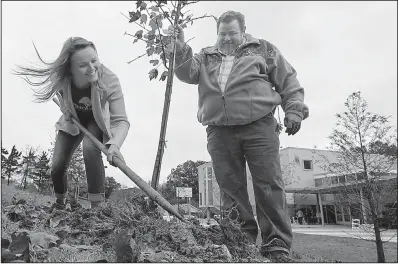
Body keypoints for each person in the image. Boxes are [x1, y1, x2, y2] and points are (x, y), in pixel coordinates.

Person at [167, 10, 309, 262]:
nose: (227, 39)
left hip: (259, 127)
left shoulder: (263, 50)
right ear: (217, 33)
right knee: (230, 188)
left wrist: (294, 110)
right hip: (219, 130)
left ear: (243, 32)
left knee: (268, 184)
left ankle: (276, 242)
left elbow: (288, 80)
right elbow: (186, 73)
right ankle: (239, 237)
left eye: (232, 33)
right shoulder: (206, 56)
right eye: (222, 34)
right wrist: (180, 49)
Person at [14, 37, 130, 210]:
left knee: (90, 150)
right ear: (70, 68)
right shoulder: (60, 77)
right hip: (72, 122)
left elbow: (121, 120)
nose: (92, 68)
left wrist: (115, 145)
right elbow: (61, 95)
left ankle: (97, 208)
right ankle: (61, 203)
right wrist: (66, 109)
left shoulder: (110, 80)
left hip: (96, 121)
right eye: (83, 65)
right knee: (57, 166)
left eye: (94, 60)